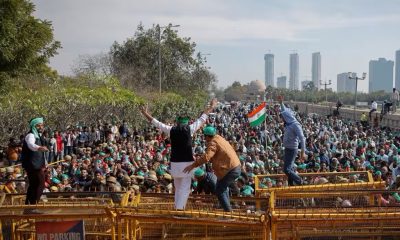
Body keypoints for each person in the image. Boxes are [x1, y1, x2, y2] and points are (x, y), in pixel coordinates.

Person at [140, 98, 217, 210]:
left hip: (175, 164)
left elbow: (156, 123)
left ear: (177, 122)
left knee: (178, 187)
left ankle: (177, 208)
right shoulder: (190, 129)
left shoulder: (171, 129)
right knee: (184, 189)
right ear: (187, 122)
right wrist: (212, 107)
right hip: (187, 164)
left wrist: (145, 113)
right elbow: (203, 118)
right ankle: (179, 210)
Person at [184, 125, 241, 212]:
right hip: (233, 167)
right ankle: (227, 209)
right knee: (222, 187)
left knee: (219, 190)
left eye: (204, 136)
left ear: (207, 136)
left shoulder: (213, 143)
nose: (204, 138)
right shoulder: (219, 138)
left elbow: (207, 157)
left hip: (229, 169)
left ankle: (229, 212)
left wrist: (193, 165)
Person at [278, 95, 306, 186]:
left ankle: (299, 181)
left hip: (292, 149)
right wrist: (281, 103)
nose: (282, 118)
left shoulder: (295, 124)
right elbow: (284, 110)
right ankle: (291, 184)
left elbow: (302, 138)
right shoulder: (289, 122)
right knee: (288, 168)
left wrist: (303, 152)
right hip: (287, 148)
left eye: (283, 117)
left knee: (287, 169)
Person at [21, 117, 49, 205]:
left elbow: (41, 154)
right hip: (33, 165)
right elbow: (31, 145)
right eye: (38, 125)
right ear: (33, 126)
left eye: (42, 125)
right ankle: (33, 206)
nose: (41, 127)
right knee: (40, 184)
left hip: (36, 164)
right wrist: (39, 148)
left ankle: (28, 207)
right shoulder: (31, 135)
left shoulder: (38, 136)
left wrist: (45, 163)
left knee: (33, 185)